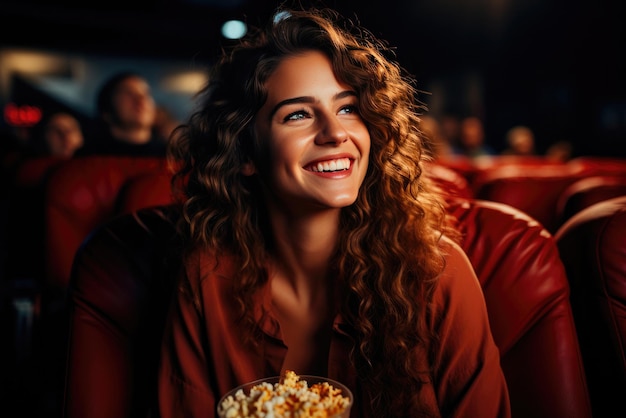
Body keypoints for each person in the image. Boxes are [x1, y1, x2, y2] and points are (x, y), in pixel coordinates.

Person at [158, 7, 510, 418]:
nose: (336, 132)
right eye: (298, 115)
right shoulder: (207, 277)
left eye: (347, 108)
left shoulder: (437, 272)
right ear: (246, 152)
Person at [78, 71, 166, 156]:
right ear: (106, 112)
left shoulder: (172, 157)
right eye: (128, 93)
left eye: (146, 93)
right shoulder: (87, 157)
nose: (141, 99)